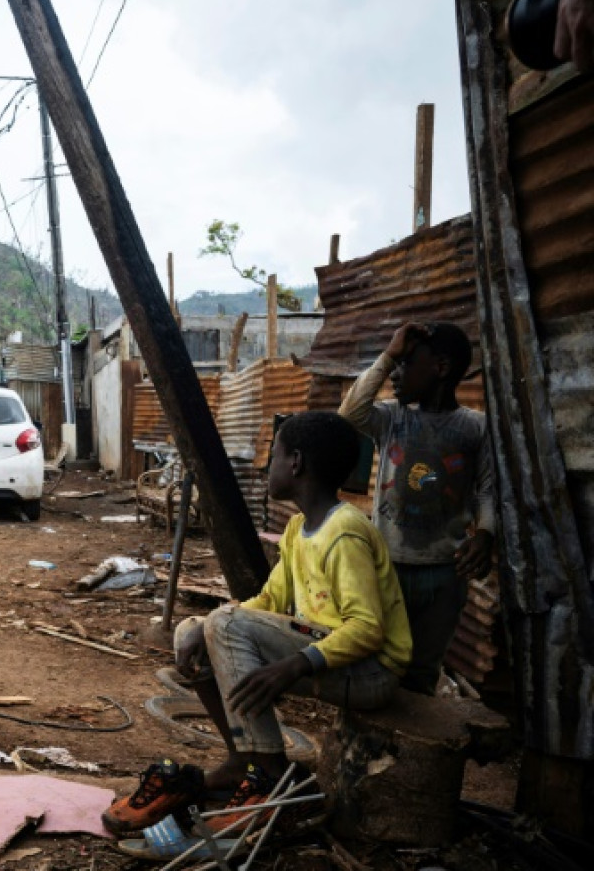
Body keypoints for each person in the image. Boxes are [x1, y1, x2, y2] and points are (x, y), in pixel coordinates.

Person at [103, 412, 411, 836]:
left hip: (372, 671)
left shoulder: (345, 533)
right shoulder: (299, 528)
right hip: (332, 657)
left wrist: (294, 664)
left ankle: (269, 778)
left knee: (226, 623)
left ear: (296, 462)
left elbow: (367, 629)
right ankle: (241, 761)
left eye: (275, 455)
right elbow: (268, 602)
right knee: (198, 627)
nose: (268, 467)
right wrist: (204, 626)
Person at [339, 322, 495, 695]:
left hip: (445, 574)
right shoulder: (393, 418)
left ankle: (407, 752)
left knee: (422, 671)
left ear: (440, 368)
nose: (396, 375)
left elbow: (489, 489)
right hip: (386, 566)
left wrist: (487, 533)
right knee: (370, 658)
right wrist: (389, 355)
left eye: (407, 364)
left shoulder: (475, 427)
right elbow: (350, 413)